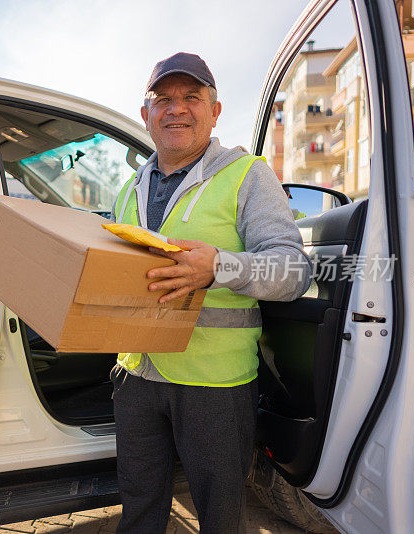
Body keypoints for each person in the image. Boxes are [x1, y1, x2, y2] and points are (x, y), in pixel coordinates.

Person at [109, 53, 312, 533]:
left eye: (191, 98)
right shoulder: (130, 188)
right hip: (136, 375)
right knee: (138, 508)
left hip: (214, 384)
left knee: (220, 515)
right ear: (147, 114)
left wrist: (219, 266)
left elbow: (293, 271)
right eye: (163, 99)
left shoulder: (247, 175)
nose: (176, 108)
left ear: (214, 111)